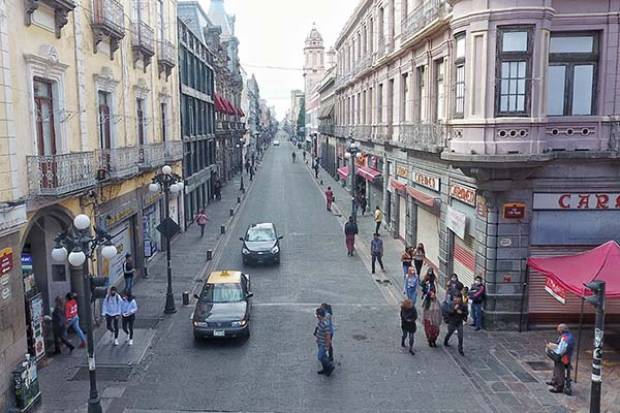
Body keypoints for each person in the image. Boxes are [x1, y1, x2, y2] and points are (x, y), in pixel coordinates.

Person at [545, 323, 574, 394]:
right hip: (565, 354)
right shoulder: (568, 335)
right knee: (556, 367)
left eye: (558, 329)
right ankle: (554, 380)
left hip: (564, 357)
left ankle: (559, 386)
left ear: (561, 331)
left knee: (559, 369)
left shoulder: (564, 338)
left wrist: (551, 348)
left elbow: (559, 351)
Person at [314, 307, 334, 376]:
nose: (316, 317)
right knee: (323, 356)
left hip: (323, 343)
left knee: (320, 356)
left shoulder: (325, 324)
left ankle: (330, 366)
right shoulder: (321, 321)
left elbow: (328, 336)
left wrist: (327, 345)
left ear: (320, 316)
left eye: (317, 315)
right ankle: (326, 369)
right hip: (320, 341)